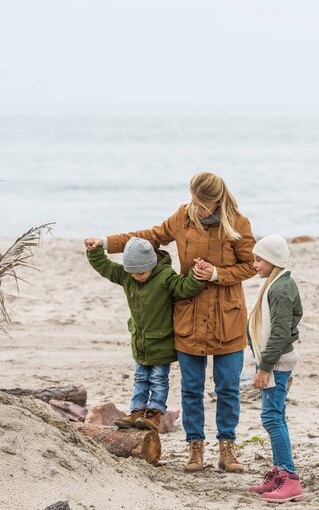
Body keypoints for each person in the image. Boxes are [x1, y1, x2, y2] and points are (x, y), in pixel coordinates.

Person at [85, 172, 256, 473]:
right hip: (188, 317)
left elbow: (250, 266)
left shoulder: (238, 224)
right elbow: (150, 237)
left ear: (217, 201)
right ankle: (195, 449)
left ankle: (227, 449)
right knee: (191, 390)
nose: (197, 209)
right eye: (193, 202)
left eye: (202, 205)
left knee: (228, 388)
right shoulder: (182, 216)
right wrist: (106, 242)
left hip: (227, 317)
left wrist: (217, 275)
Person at [84, 236, 206, 433]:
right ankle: (137, 411)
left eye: (141, 272)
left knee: (158, 378)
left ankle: (155, 413)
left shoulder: (165, 277)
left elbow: (185, 287)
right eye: (132, 273)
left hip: (161, 342)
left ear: (151, 265)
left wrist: (197, 274)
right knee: (140, 378)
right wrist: (94, 252)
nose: (136, 276)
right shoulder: (127, 276)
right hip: (140, 342)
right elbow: (106, 267)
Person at [247, 235, 303, 502]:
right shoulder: (276, 284)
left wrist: (264, 367)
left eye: (259, 259)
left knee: (271, 417)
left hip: (276, 363)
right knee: (275, 415)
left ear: (272, 261)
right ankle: (279, 471)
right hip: (274, 360)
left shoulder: (280, 289)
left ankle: (289, 478)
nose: (254, 264)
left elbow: (279, 333)